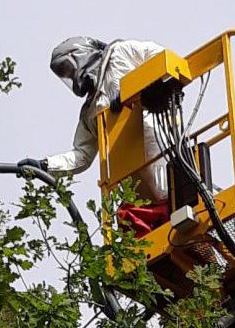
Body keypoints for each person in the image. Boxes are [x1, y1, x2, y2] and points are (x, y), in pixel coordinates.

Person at [41, 36, 171, 235]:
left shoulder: (120, 52)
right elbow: (81, 156)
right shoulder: (90, 112)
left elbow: (160, 56)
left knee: (188, 224)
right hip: (136, 189)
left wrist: (136, 89)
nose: (70, 76)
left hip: (159, 157)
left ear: (81, 54)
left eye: (68, 69)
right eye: (64, 74)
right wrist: (45, 165)